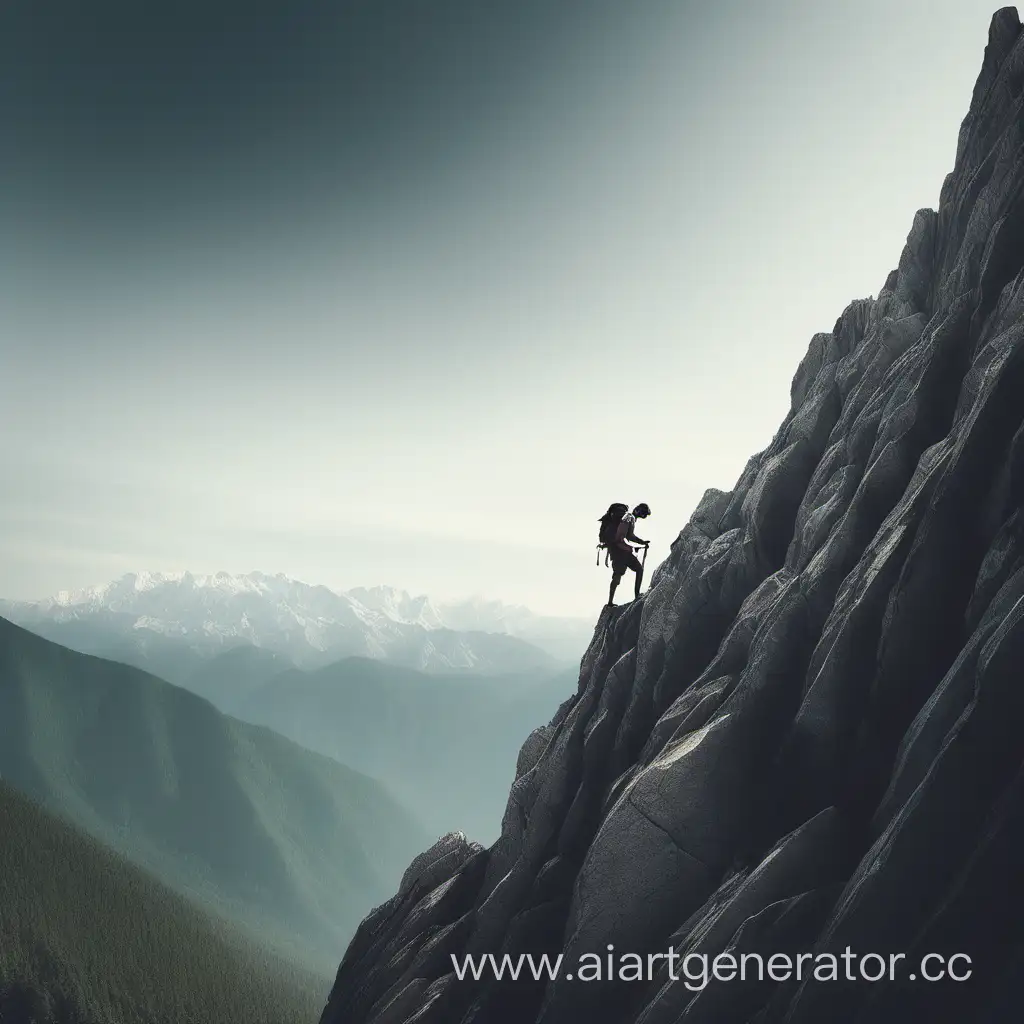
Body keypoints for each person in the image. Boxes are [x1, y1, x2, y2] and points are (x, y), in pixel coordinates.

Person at [606, 503, 651, 605]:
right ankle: (611, 601)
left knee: (636, 570)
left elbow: (630, 535)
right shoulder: (628, 518)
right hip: (620, 552)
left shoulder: (631, 518)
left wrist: (642, 542)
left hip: (623, 551)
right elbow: (622, 536)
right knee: (618, 575)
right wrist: (635, 546)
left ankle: (636, 596)